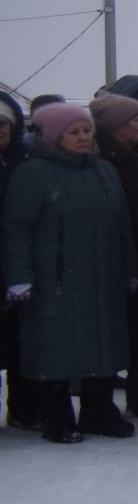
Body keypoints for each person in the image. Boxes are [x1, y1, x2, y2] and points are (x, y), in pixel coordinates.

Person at [2, 101, 138, 443]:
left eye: (86, 131)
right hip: (54, 281)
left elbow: (122, 226)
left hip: (101, 277)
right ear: (53, 136)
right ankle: (57, 416)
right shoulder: (33, 174)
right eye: (73, 132)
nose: (82, 138)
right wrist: (19, 276)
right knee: (54, 350)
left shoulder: (103, 171)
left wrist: (129, 268)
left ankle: (99, 412)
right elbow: (16, 228)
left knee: (102, 345)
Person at [90, 90, 138, 418]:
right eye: (134, 119)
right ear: (115, 125)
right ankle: (101, 397)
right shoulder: (98, 163)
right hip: (111, 255)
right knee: (108, 329)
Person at [0, 92, 30, 430]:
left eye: (2, 124)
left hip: (19, 262)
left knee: (20, 341)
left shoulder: (23, 162)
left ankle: (23, 407)